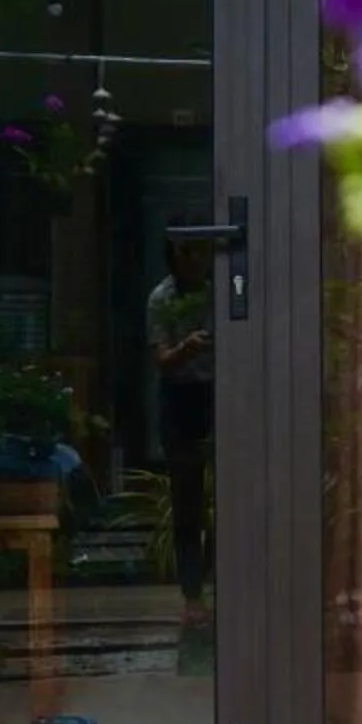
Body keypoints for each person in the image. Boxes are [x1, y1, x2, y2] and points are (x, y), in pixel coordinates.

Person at [149, 232, 217, 630]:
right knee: (188, 500)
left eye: (197, 252)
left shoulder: (221, 288)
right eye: (183, 253)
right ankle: (193, 596)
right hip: (180, 397)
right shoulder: (162, 298)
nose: (191, 261)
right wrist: (186, 348)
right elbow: (161, 359)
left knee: (230, 496)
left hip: (222, 394)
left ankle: (229, 583)